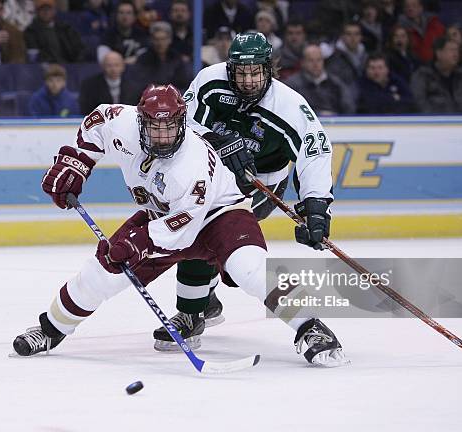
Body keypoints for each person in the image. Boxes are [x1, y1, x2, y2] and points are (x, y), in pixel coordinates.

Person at [11, 84, 347, 367]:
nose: (162, 134)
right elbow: (96, 121)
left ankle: (311, 328)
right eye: (155, 127)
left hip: (220, 214)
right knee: (99, 276)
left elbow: (180, 230)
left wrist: (136, 244)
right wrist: (76, 161)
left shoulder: (191, 163)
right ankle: (50, 329)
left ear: (182, 122)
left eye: (170, 126)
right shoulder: (122, 121)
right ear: (141, 121)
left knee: (250, 269)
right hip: (161, 215)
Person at [148, 32, 345, 366]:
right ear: (230, 68)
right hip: (210, 176)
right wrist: (216, 138)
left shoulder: (289, 105)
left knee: (217, 239)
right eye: (242, 72)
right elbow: (184, 124)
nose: (249, 79)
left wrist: (315, 207)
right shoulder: (210, 81)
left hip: (261, 184)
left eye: (256, 72)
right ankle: (196, 308)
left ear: (269, 69)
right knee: (195, 231)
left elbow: (315, 152)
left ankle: (198, 308)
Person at [285, 44, 355, 115]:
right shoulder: (292, 85)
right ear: (303, 62)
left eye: (318, 60)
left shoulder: (336, 83)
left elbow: (348, 107)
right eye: (311, 60)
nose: (315, 64)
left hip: (335, 123)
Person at [410, 36, 462, 113]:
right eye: (451, 50)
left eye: (457, 50)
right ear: (439, 53)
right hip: (435, 123)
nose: (456, 54)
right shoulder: (422, 75)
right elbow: (419, 103)